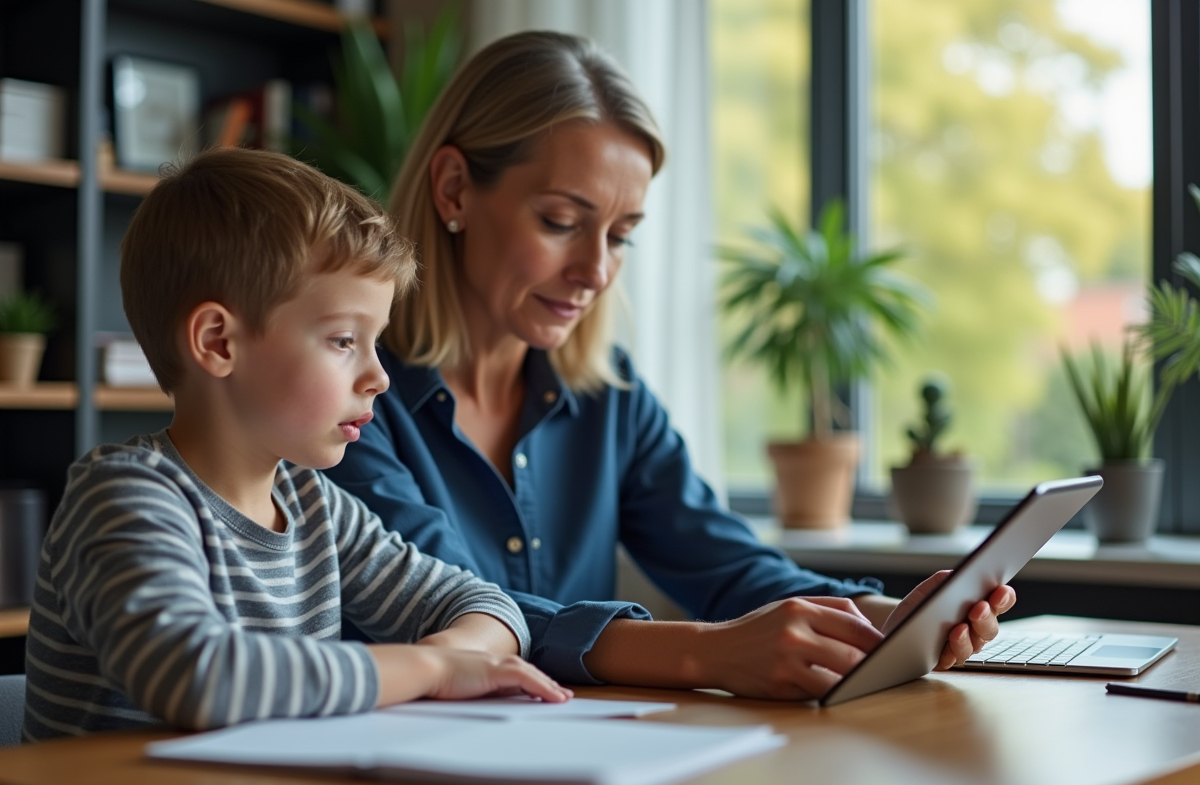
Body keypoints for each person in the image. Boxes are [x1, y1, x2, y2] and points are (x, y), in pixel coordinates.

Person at [325, 31, 1015, 699]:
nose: (596, 271)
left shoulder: (608, 396)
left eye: (621, 235)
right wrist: (705, 650)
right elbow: (450, 609)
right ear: (453, 189)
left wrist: (886, 614)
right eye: (561, 222)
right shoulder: (344, 390)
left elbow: (725, 564)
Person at [22, 148, 569, 742]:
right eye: (343, 340)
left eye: (376, 342)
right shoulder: (123, 496)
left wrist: (456, 653)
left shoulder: (315, 505)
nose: (379, 377)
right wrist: (432, 666)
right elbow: (197, 676)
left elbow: (485, 604)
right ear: (219, 342)